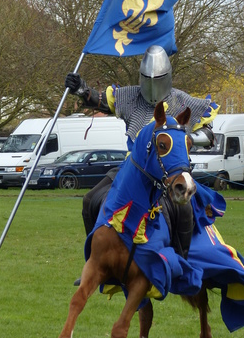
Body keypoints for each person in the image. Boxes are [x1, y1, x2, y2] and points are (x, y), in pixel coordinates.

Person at [65, 45, 219, 254]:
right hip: (130, 168)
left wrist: (184, 139)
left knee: (184, 209)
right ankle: (96, 259)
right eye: (148, 79)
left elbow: (209, 135)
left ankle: (182, 261)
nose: (153, 85)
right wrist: (82, 89)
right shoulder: (131, 97)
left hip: (169, 173)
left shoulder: (183, 101)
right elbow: (100, 100)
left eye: (158, 79)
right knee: (90, 200)